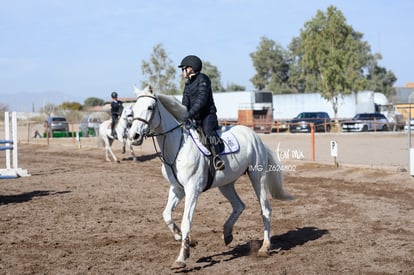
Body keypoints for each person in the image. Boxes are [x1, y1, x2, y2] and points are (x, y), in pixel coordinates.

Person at [178, 55, 225, 170]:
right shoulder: (188, 84)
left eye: (183, 68)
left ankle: (217, 157)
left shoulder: (203, 79)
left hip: (208, 116)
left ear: (190, 68)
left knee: (208, 131)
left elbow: (201, 100)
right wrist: (182, 114)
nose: (182, 71)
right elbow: (185, 102)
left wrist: (189, 114)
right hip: (195, 117)